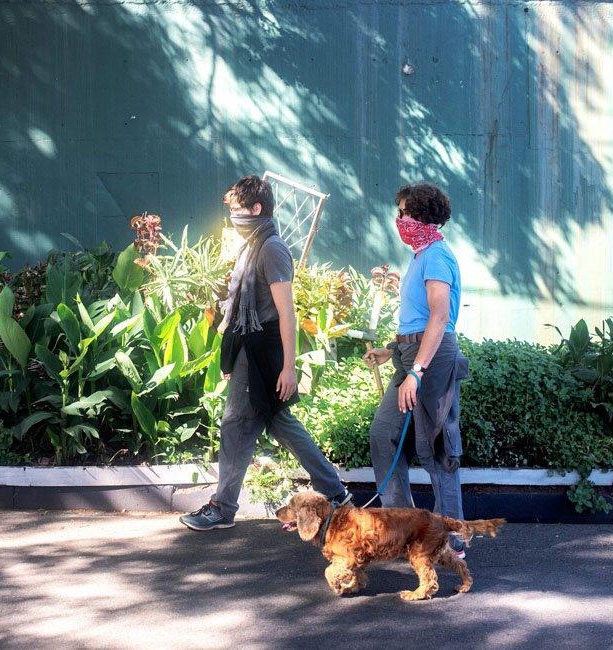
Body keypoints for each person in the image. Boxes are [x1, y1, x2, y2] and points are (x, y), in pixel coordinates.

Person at [179, 175, 352, 531]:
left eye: (240, 209)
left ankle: (223, 508)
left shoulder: (271, 248)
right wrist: (233, 358)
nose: (234, 217)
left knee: (235, 425)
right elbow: (242, 305)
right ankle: (336, 494)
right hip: (250, 348)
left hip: (264, 351)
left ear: (257, 209)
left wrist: (289, 368)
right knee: (279, 422)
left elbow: (287, 313)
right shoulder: (251, 246)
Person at [363, 182, 470, 557]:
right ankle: (403, 528)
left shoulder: (437, 256)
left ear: (423, 215)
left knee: (437, 450)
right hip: (411, 355)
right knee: (384, 434)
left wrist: (418, 370)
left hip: (433, 359)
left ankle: (452, 538)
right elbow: (418, 319)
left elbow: (439, 318)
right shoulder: (419, 256)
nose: (400, 219)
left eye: (406, 212)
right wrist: (391, 350)